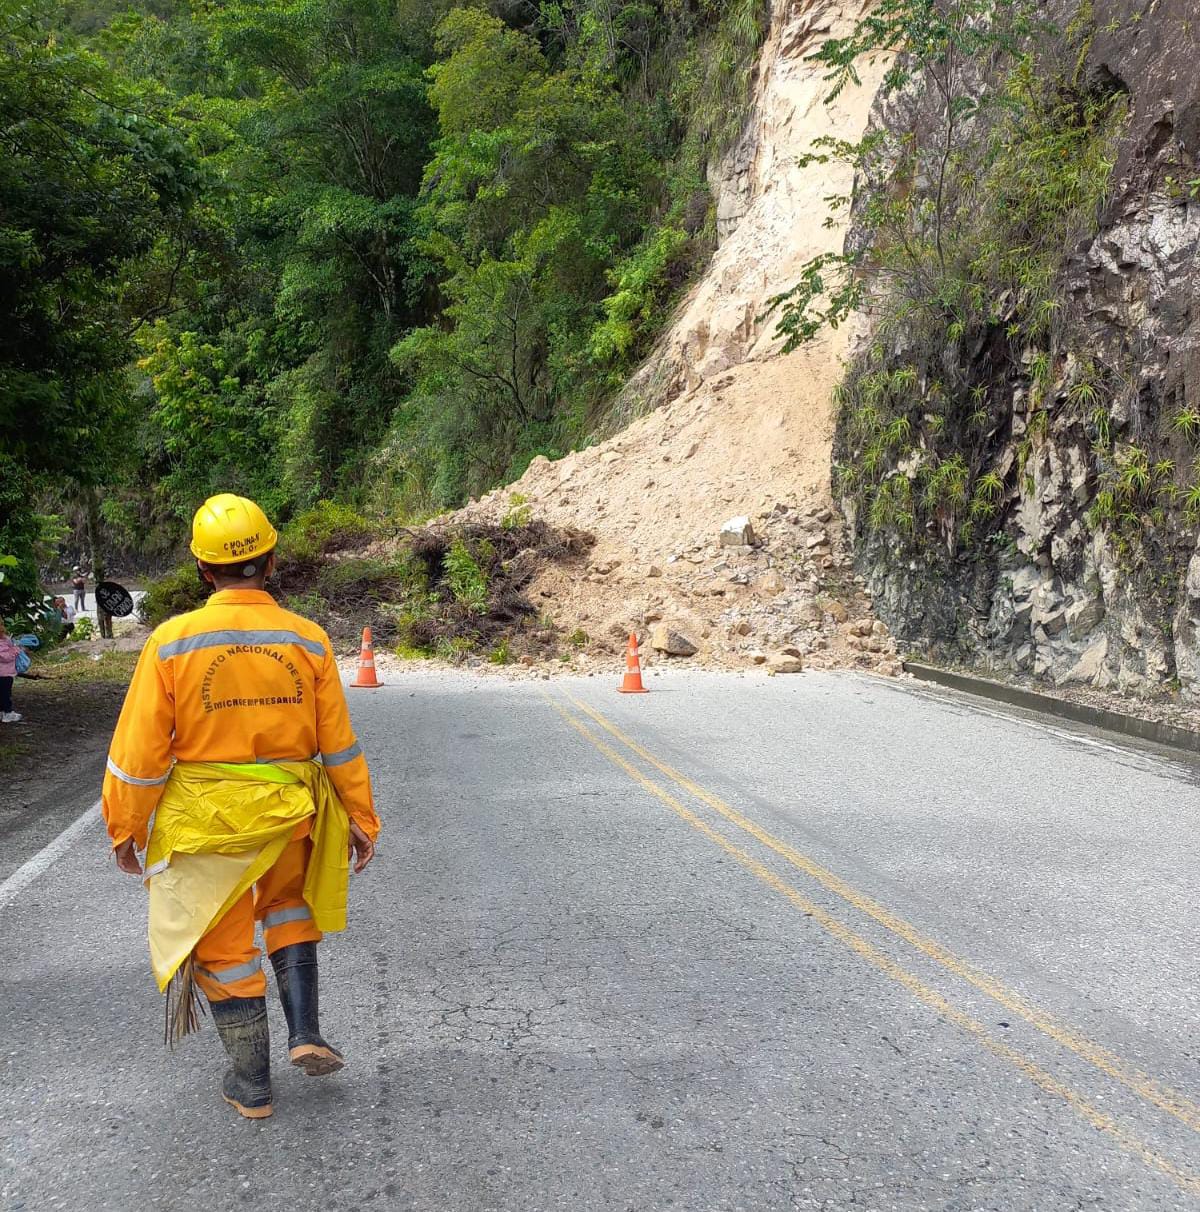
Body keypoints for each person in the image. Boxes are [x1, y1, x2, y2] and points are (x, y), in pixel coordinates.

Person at [102, 492, 381, 1119]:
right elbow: (337, 744)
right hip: (292, 809)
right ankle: (304, 1031)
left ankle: (251, 1083)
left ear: (204, 569)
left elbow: (139, 754)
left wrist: (125, 826)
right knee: (288, 910)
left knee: (225, 948)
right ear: (272, 560)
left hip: (206, 823)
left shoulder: (172, 643)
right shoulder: (306, 640)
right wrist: (361, 816)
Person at [0, 620, 21, 723]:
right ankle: (8, 713)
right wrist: (16, 650)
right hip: (4, 673)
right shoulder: (2, 642)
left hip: (5, 672)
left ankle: (2, 712)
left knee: (2, 694)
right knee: (5, 694)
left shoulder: (5, 640)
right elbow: (5, 657)